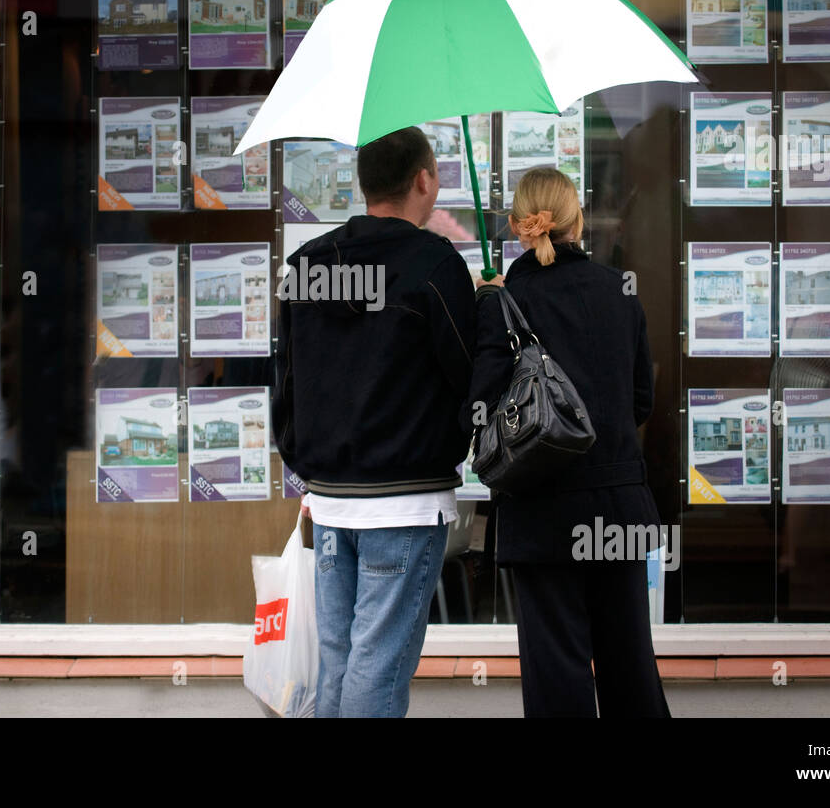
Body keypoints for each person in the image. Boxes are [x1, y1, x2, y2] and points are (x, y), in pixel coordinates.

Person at [273, 126, 476, 718]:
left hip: (332, 498)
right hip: (405, 501)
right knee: (377, 666)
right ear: (423, 180)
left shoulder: (307, 265)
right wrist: (485, 307)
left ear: (363, 184)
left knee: (339, 661)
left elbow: (284, 378)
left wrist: (305, 464)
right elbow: (467, 375)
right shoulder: (436, 264)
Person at [468, 166, 669, 718]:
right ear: (578, 220)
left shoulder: (505, 302)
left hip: (542, 518)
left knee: (557, 674)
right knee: (630, 664)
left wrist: (487, 306)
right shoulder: (619, 291)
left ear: (516, 226)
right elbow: (641, 401)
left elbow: (479, 409)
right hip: (618, 511)